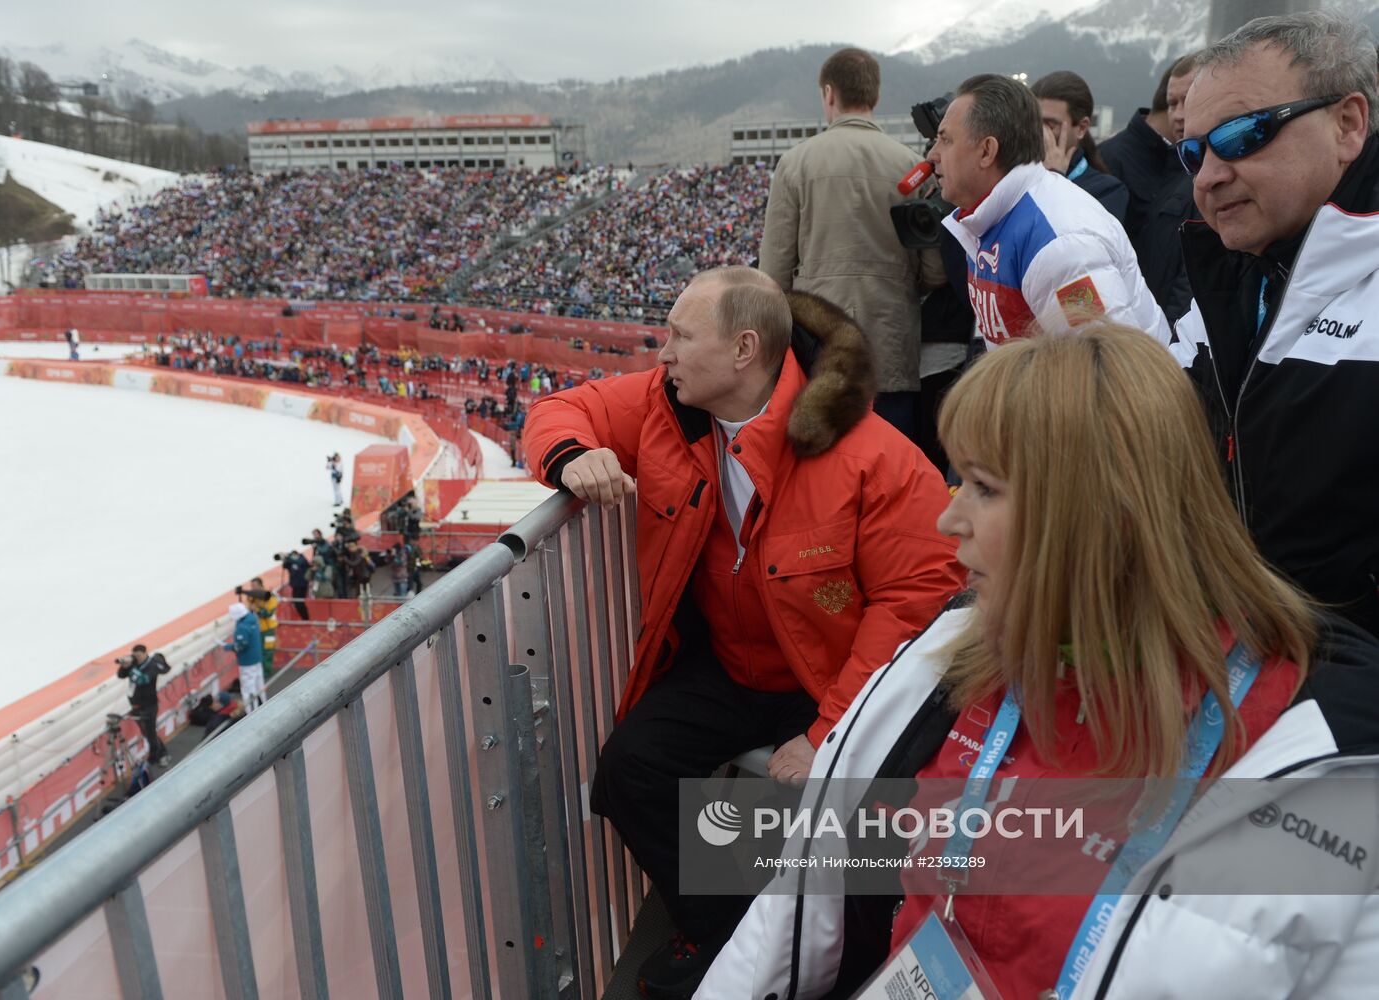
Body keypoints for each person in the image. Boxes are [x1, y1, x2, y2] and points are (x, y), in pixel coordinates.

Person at [701, 323, 1379, 1000]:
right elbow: (797, 902)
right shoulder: (943, 661)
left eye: (984, 488)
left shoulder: (1313, 758)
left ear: (1099, 515)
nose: (949, 518)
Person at [523, 267, 963, 998]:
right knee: (630, 772)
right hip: (729, 666)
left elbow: (914, 600)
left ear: (743, 350)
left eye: (680, 337)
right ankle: (731, 938)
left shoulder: (872, 453)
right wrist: (574, 456)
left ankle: (815, 952)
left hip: (830, 682)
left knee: (855, 813)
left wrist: (828, 731)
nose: (661, 354)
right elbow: (561, 409)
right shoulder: (664, 406)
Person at [1174, 11, 1379, 636]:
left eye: (1242, 135)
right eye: (1191, 151)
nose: (1207, 175)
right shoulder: (1227, 275)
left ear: (1347, 124)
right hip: (1247, 672)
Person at [758, 47, 944, 441]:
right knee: (893, 471)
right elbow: (934, 270)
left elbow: (772, 274)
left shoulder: (795, 163)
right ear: (874, 97)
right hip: (890, 343)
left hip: (818, 347)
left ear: (829, 93)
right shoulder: (911, 165)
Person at [928, 74, 1170, 349]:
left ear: (987, 151)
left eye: (945, 140)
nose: (932, 155)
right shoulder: (990, 218)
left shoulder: (1061, 243)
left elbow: (1108, 366)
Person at [1099, 53, 1202, 323]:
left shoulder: (1209, 178)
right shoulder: (1181, 175)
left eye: (1188, 100)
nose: (1178, 115)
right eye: (1172, 103)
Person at [1030, 71, 1129, 221]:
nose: (1040, 133)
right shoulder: (1016, 173)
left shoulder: (1107, 191)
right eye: (1034, 122)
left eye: (1050, 125)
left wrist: (1054, 178)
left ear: (1082, 128)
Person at [116, 644, 171, 766]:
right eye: (135, 656)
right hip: (136, 705)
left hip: (149, 705)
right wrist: (125, 666)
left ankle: (158, 756)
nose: (137, 658)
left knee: (150, 732)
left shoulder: (152, 665)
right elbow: (120, 675)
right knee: (146, 732)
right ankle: (160, 753)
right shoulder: (134, 664)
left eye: (139, 656)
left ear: (145, 653)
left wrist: (132, 668)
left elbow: (143, 679)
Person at [225, 602, 266, 713]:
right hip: (257, 659)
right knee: (259, 685)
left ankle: (251, 713)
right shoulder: (252, 618)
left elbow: (241, 646)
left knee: (248, 690)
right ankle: (264, 706)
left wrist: (228, 647)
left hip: (247, 662)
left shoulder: (242, 628)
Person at [240, 578, 279, 677]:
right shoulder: (253, 597)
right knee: (259, 651)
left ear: (261, 585)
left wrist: (256, 609)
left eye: (254, 586)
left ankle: (266, 673)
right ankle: (260, 673)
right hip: (257, 630)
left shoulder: (270, 597)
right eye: (251, 586)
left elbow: (268, 613)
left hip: (269, 630)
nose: (252, 588)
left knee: (268, 651)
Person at [279, 549, 311, 620]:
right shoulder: (291, 562)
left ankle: (306, 618)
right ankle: (303, 618)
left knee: (300, 603)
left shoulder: (302, 560)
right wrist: (284, 559)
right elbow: (285, 566)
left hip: (302, 585)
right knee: (296, 602)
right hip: (295, 585)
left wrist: (288, 557)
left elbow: (299, 562)